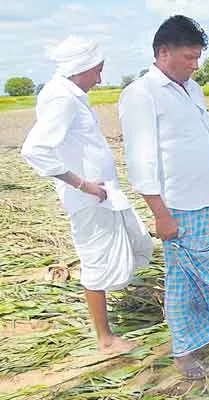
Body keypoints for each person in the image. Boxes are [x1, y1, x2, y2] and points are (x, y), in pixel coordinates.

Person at [119, 15, 209, 379]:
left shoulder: (193, 88)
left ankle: (207, 333)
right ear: (163, 52)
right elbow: (142, 160)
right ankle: (184, 352)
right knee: (183, 283)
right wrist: (160, 214)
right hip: (180, 209)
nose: (195, 65)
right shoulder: (142, 94)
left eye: (198, 57)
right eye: (189, 57)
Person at [21, 36, 153, 355]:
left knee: (136, 243)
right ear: (80, 68)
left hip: (104, 195)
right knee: (96, 261)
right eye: (97, 71)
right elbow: (34, 149)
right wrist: (83, 184)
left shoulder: (70, 94)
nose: (100, 78)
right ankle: (105, 339)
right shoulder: (62, 99)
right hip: (89, 199)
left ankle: (112, 312)